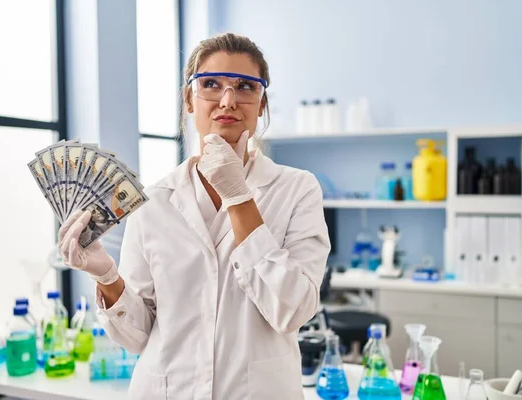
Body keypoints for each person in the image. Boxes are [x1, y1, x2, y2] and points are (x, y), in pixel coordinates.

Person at [58, 32, 331, 399]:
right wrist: (105, 275)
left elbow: (292, 310)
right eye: (211, 84)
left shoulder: (297, 190)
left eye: (246, 86)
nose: (228, 99)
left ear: (261, 104)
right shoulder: (154, 200)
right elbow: (137, 337)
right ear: (190, 98)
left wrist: (238, 197)